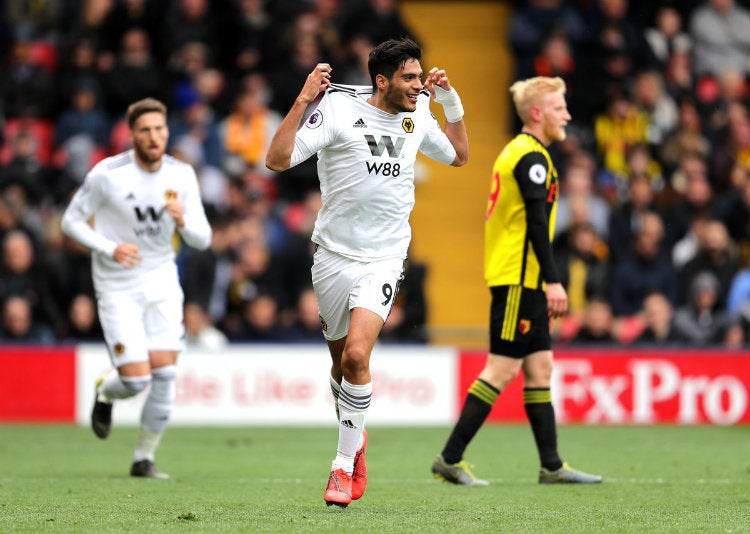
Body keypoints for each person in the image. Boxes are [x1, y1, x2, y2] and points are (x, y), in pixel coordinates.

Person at [265, 37, 468, 507]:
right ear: (382, 81)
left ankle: (340, 467)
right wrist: (302, 99)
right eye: (410, 78)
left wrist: (449, 100)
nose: (419, 86)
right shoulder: (337, 108)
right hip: (333, 256)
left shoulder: (419, 115)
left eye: (421, 77)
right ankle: (355, 443)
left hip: (385, 256)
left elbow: (459, 155)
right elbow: (276, 160)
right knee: (340, 366)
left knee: (357, 355)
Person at [431, 76, 601, 486]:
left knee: (540, 367)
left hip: (527, 280)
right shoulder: (531, 158)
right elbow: (537, 223)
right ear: (539, 113)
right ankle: (449, 458)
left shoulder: (526, 152)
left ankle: (552, 466)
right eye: (560, 108)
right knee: (502, 369)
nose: (568, 115)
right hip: (517, 281)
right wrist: (553, 281)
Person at [60, 97, 212, 479]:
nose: (153, 136)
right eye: (144, 130)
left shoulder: (182, 175)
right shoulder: (107, 174)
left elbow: (204, 238)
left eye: (159, 129)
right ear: (131, 135)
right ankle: (105, 391)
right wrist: (109, 247)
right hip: (116, 283)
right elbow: (70, 222)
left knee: (164, 375)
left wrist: (184, 222)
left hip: (161, 279)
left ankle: (143, 458)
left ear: (166, 132)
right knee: (135, 379)